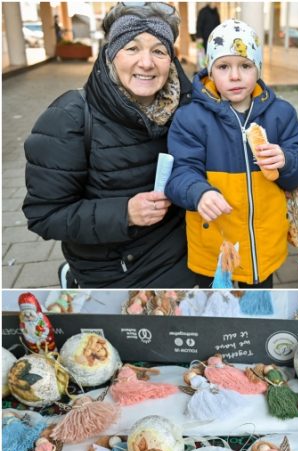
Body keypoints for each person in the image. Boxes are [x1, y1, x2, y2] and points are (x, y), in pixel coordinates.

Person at [23, 3, 195, 288]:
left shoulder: (187, 109)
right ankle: (73, 279)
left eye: (159, 51)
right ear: (110, 55)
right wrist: (125, 213)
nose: (147, 63)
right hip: (117, 267)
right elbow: (44, 215)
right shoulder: (69, 118)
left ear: (171, 60)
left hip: (183, 248)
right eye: (132, 48)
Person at [166, 20, 298, 288]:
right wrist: (199, 192)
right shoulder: (191, 118)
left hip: (265, 249)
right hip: (215, 248)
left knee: (258, 305)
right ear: (210, 71)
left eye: (245, 66)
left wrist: (287, 161)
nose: (235, 76)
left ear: (258, 69)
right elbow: (180, 173)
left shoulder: (281, 114)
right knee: (216, 308)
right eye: (223, 67)